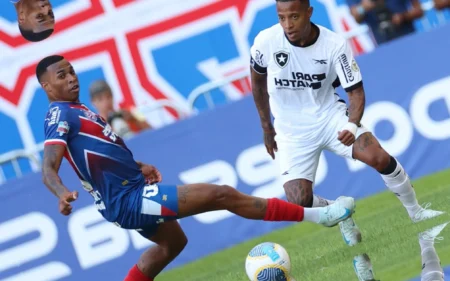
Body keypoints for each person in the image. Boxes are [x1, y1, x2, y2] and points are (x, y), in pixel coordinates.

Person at [37, 55, 355, 281]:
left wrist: (137, 165)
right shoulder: (58, 116)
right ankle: (319, 215)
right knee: (221, 195)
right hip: (129, 200)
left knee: (173, 244)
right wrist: (61, 192)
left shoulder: (77, 109)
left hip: (130, 191)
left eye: (71, 72)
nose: (71, 78)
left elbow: (100, 153)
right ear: (47, 88)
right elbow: (48, 166)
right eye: (61, 76)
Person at [249, 0, 444, 247]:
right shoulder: (265, 42)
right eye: (282, 18)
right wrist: (267, 128)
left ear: (309, 13)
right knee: (299, 202)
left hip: (330, 117)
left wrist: (352, 125)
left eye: (294, 17)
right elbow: (256, 84)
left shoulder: (333, 44)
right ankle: (338, 212)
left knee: (379, 158)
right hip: (291, 132)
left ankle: (417, 212)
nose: (288, 25)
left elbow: (355, 92)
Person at [346, 0, 423, 44]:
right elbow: (356, 17)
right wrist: (362, 8)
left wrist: (403, 17)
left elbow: (419, 11)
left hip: (409, 39)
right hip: (383, 45)